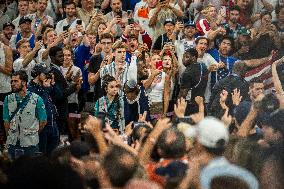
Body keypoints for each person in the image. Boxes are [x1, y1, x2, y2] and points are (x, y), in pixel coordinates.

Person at [3, 70, 47, 159]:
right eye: (12, 81)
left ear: (24, 82)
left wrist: (32, 134)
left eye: (16, 81)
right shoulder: (8, 99)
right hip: (13, 144)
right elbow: (6, 121)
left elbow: (43, 121)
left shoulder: (37, 99)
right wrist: (10, 137)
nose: (12, 83)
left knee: (30, 171)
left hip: (30, 145)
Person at [49, 46, 80, 136]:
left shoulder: (57, 69)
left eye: (63, 56)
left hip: (61, 110)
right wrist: (74, 85)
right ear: (52, 57)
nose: (63, 58)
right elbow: (60, 94)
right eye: (60, 56)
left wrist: (68, 81)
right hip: (59, 111)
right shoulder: (54, 71)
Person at [28, 64, 60, 155]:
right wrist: (46, 89)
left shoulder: (46, 85)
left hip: (53, 124)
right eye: (45, 73)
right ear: (38, 74)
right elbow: (42, 104)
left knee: (53, 155)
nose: (48, 75)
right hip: (41, 126)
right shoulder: (31, 88)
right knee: (41, 155)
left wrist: (52, 84)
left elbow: (59, 96)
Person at [178, 48, 208, 115]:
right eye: (183, 57)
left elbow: (183, 94)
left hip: (190, 107)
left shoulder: (187, 73)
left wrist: (177, 110)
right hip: (201, 105)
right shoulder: (204, 66)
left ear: (194, 58)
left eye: (187, 57)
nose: (183, 59)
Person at [88, 32, 114, 103]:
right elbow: (91, 82)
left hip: (115, 97)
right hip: (99, 97)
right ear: (100, 44)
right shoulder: (94, 59)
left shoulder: (117, 57)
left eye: (108, 43)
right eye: (103, 43)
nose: (106, 45)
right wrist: (100, 70)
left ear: (112, 43)